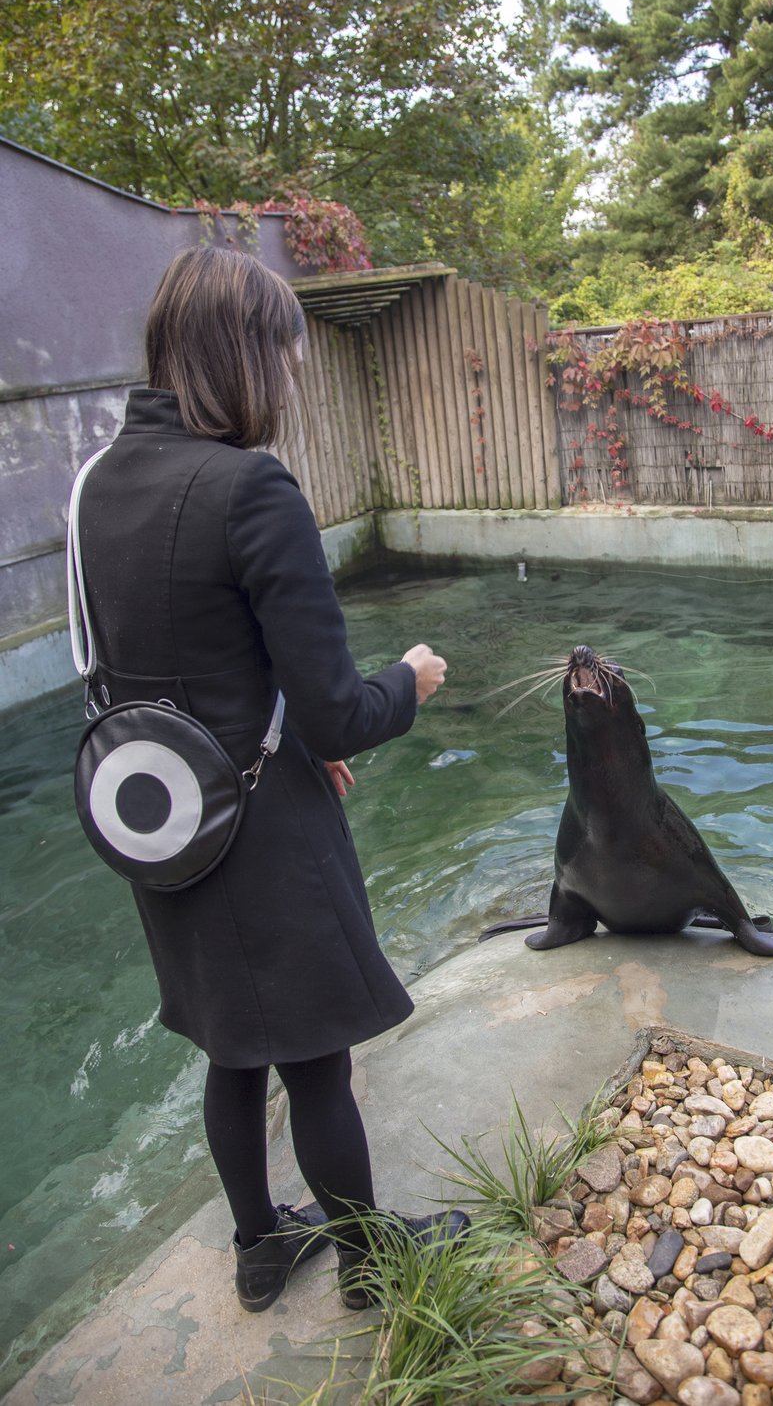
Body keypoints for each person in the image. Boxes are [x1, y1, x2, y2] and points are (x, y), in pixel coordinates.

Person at [76, 244, 467, 1312]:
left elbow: (170, 665)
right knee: (315, 1058)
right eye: (287, 355)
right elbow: (341, 702)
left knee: (229, 1045)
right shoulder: (251, 487)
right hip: (258, 825)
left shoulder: (100, 484)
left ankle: (260, 1245)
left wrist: (292, 731)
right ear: (248, 356)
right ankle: (369, 1265)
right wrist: (412, 678)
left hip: (166, 822)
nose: (293, 377)